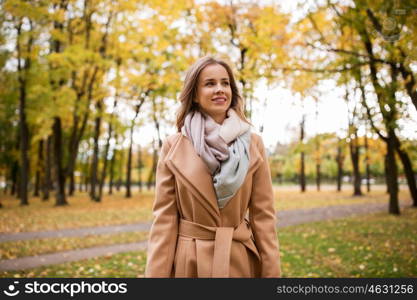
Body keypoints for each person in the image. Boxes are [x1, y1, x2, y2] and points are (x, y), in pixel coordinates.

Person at [145, 56, 281, 278]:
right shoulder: (174, 145)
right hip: (190, 264)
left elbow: (264, 217)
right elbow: (165, 221)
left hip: (239, 261)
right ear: (195, 95)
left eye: (225, 83)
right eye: (210, 84)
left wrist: (271, 274)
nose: (220, 89)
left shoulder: (253, 143)